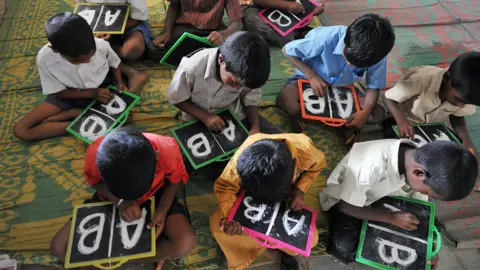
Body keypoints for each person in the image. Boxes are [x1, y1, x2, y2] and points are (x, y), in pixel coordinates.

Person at [50, 127, 197, 270]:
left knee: (185, 242)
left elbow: (174, 181)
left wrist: (162, 211)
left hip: (156, 194)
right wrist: (120, 201)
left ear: (156, 157)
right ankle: (130, 256)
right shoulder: (97, 154)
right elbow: (94, 182)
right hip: (112, 198)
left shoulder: (167, 148)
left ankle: (121, 260)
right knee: (58, 248)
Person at [320, 139, 478, 268]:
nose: (426, 195)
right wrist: (390, 217)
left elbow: (419, 208)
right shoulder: (370, 164)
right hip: (345, 199)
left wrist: (427, 250)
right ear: (418, 173)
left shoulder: (415, 158)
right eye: (427, 193)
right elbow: (345, 206)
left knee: (419, 223)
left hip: (379, 194)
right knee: (343, 246)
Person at [13, 12, 148, 141]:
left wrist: (118, 82)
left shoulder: (100, 44)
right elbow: (59, 93)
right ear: (56, 50)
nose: (87, 62)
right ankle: (78, 121)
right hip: (68, 93)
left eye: (91, 56)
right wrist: (91, 93)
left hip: (101, 87)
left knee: (127, 118)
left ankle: (78, 118)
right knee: (21, 130)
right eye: (78, 61)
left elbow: (114, 63)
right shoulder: (45, 58)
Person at [166, 31, 282, 179]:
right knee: (203, 167)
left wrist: (255, 127)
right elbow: (176, 98)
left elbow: (250, 97)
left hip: (234, 112)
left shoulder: (250, 74)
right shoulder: (192, 67)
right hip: (198, 117)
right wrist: (205, 117)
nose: (236, 87)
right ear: (221, 60)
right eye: (234, 82)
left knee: (278, 143)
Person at [211, 133, 327, 270]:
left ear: (295, 164)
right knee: (219, 228)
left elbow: (316, 166)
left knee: (308, 239)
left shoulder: (306, 150)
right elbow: (226, 186)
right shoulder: (240, 160)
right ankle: (261, 249)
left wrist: (299, 190)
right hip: (250, 200)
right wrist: (230, 219)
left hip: (286, 199)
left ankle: (283, 251)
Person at [276, 13, 395, 144]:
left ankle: (338, 122)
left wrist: (366, 111)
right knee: (289, 104)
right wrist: (311, 76)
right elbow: (286, 50)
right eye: (348, 58)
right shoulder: (324, 38)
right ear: (346, 41)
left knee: (377, 113)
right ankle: (340, 124)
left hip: (343, 89)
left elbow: (374, 87)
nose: (350, 65)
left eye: (358, 64)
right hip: (306, 80)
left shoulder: (377, 54)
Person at [381, 51, 480, 157]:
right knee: (403, 153)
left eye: (465, 103)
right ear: (447, 79)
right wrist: (401, 120)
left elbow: (458, 116)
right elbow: (387, 98)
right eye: (458, 99)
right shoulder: (420, 80)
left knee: (454, 155)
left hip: (430, 126)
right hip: (400, 119)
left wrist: (466, 140)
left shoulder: (468, 94)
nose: (460, 105)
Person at [147, 0, 243, 62]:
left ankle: (193, 55)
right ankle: (201, 56)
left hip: (211, 32)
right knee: (153, 49)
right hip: (184, 27)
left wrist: (223, 35)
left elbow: (238, 24)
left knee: (236, 54)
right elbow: (174, 6)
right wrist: (166, 32)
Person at [77, 0, 153, 61]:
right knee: (78, 48)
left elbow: (137, 19)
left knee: (133, 49)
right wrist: (96, 32)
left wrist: (109, 30)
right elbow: (82, 12)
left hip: (128, 23)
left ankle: (104, 52)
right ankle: (105, 52)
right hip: (95, 25)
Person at [240, 0, 324, 47]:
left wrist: (312, 8)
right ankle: (295, 37)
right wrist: (286, 5)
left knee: (298, 13)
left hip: (282, 5)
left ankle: (300, 34)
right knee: (256, 23)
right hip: (252, 6)